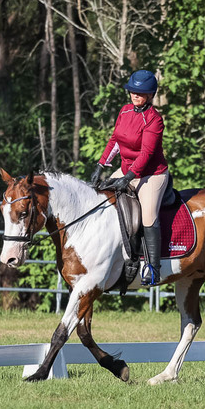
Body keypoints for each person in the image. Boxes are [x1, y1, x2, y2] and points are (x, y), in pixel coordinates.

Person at [89, 69, 170, 286]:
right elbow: (115, 140)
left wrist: (129, 177)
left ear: (150, 95)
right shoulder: (125, 111)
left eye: (140, 93)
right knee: (100, 198)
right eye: (133, 91)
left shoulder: (154, 120)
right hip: (126, 169)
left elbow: (146, 154)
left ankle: (153, 268)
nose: (135, 95)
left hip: (151, 174)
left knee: (148, 216)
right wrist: (101, 165)